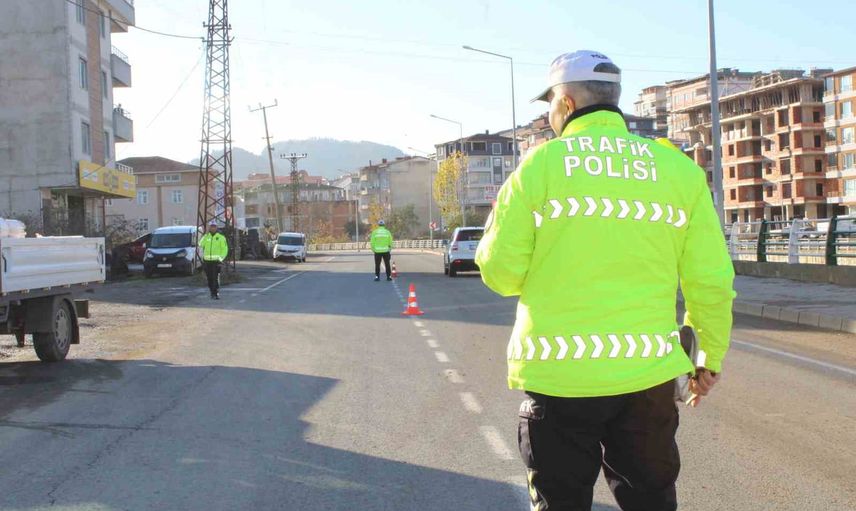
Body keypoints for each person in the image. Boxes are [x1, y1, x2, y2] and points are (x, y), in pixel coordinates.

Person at [475, 50, 735, 511]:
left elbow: (501, 273)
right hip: (648, 378)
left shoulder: (539, 166)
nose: (549, 115)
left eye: (549, 105)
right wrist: (706, 359)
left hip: (560, 378)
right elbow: (710, 279)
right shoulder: (678, 170)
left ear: (567, 104)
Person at [199, 221, 229, 299]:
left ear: (216, 227)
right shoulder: (206, 237)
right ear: (209, 227)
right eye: (211, 226)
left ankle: (216, 292)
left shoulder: (221, 237)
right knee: (209, 278)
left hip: (216, 261)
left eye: (214, 226)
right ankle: (212, 292)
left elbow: (225, 249)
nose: (213, 228)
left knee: (215, 277)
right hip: (207, 261)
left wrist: (221, 258)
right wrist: (205, 236)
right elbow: (200, 244)